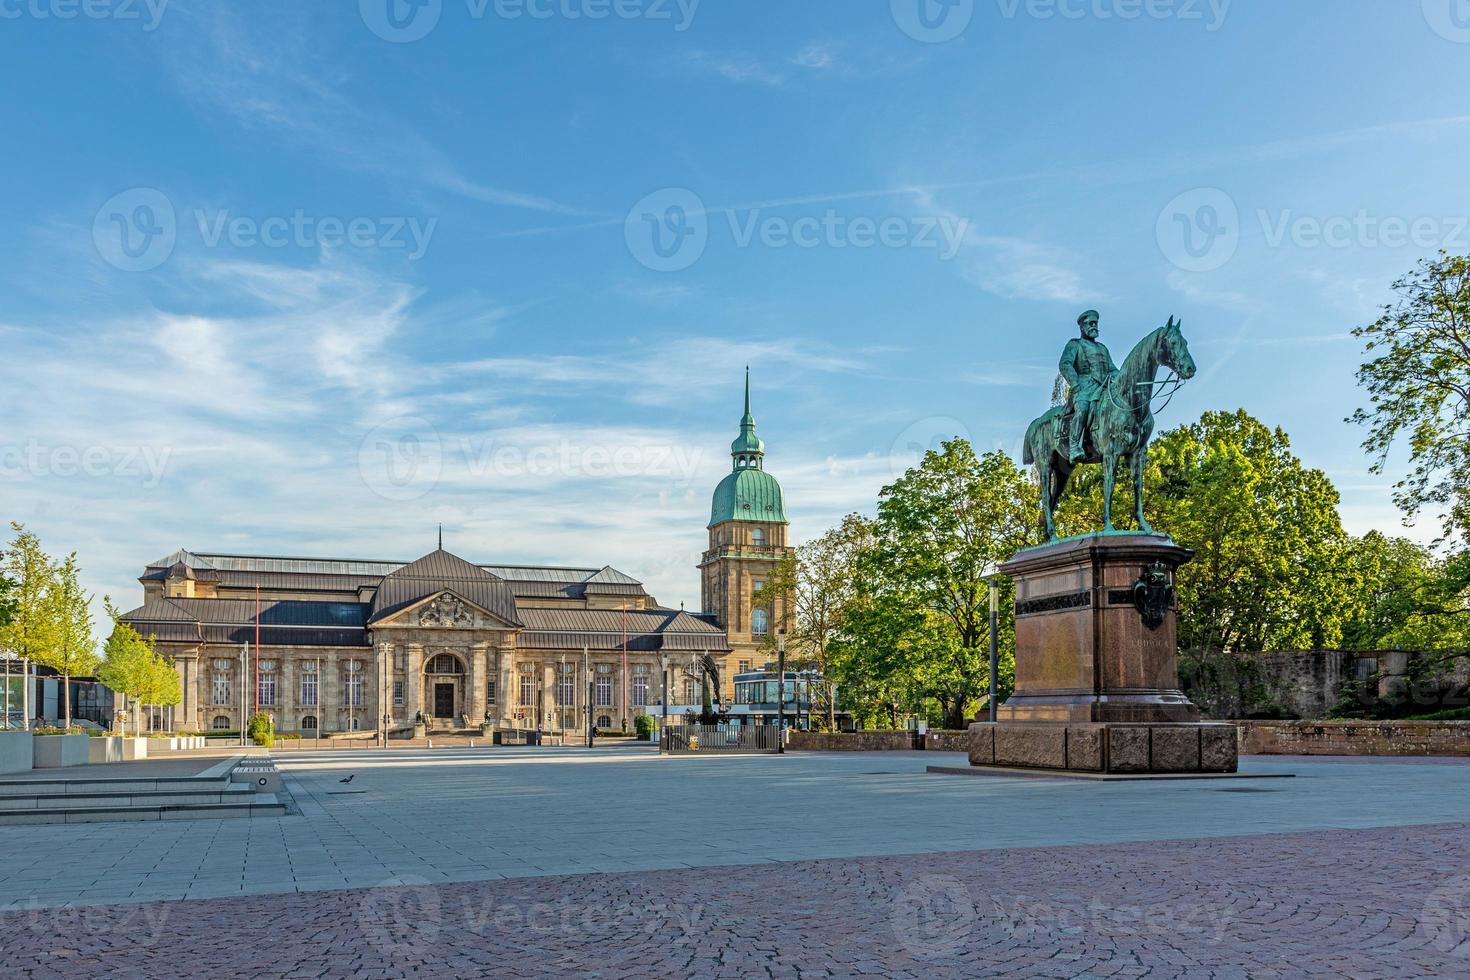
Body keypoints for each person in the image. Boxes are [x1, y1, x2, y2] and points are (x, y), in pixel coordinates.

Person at [1059, 309, 1118, 463]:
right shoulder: (1075, 344)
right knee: (1083, 408)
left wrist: (1122, 378)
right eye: (1090, 323)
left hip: (1104, 387)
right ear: (1082, 327)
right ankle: (1074, 447)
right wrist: (1075, 383)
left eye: (1095, 323)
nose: (1094, 326)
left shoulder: (1103, 348)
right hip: (1084, 387)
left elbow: (1112, 369)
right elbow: (1065, 364)